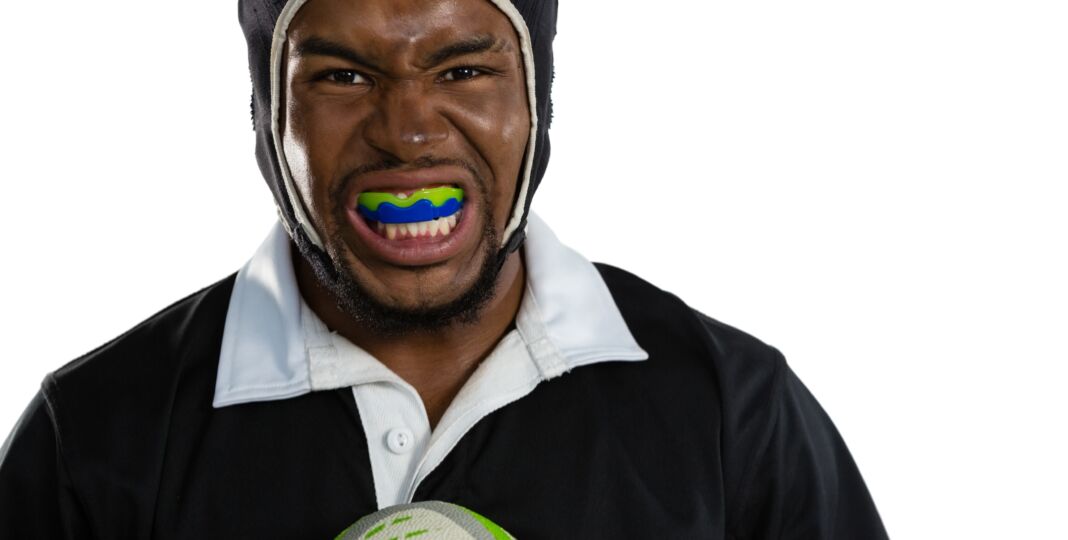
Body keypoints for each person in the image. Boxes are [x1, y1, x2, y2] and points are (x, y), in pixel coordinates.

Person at [0, 0, 887, 537]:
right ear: (267, 115)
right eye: (343, 76)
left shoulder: (735, 416)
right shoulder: (94, 443)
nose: (408, 129)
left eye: (464, 67)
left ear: (536, 101)